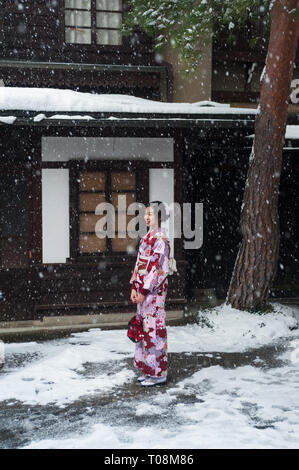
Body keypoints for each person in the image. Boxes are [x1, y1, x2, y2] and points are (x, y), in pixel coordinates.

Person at [129, 201, 170, 387]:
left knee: (154, 330)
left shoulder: (161, 238)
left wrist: (144, 290)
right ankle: (148, 371)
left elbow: (156, 268)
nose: (146, 217)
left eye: (151, 214)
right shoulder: (147, 237)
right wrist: (134, 286)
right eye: (146, 214)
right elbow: (139, 264)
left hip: (153, 293)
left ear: (159, 217)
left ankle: (158, 373)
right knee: (144, 329)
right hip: (143, 292)